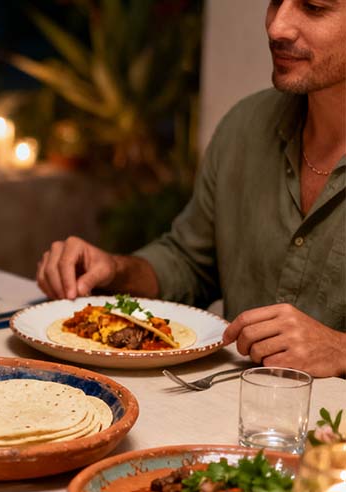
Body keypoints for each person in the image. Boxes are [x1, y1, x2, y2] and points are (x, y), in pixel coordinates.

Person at [34, 0, 345, 378]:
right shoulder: (245, 126)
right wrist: (114, 270)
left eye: (313, 7)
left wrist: (340, 349)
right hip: (231, 412)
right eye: (276, 0)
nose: (277, 26)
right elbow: (190, 264)